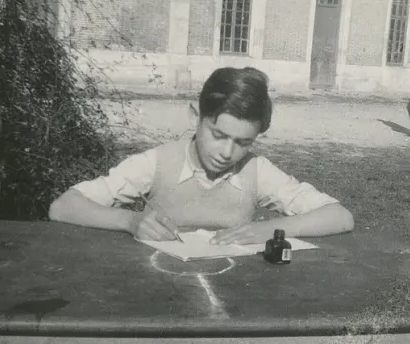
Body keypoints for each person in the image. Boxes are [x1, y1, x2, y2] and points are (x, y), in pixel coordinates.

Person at [49, 66, 354, 246]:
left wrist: (267, 230)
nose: (227, 153)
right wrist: (130, 220)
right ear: (196, 115)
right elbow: (63, 207)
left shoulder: (256, 171)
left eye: (243, 142)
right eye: (218, 135)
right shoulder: (156, 162)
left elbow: (340, 216)